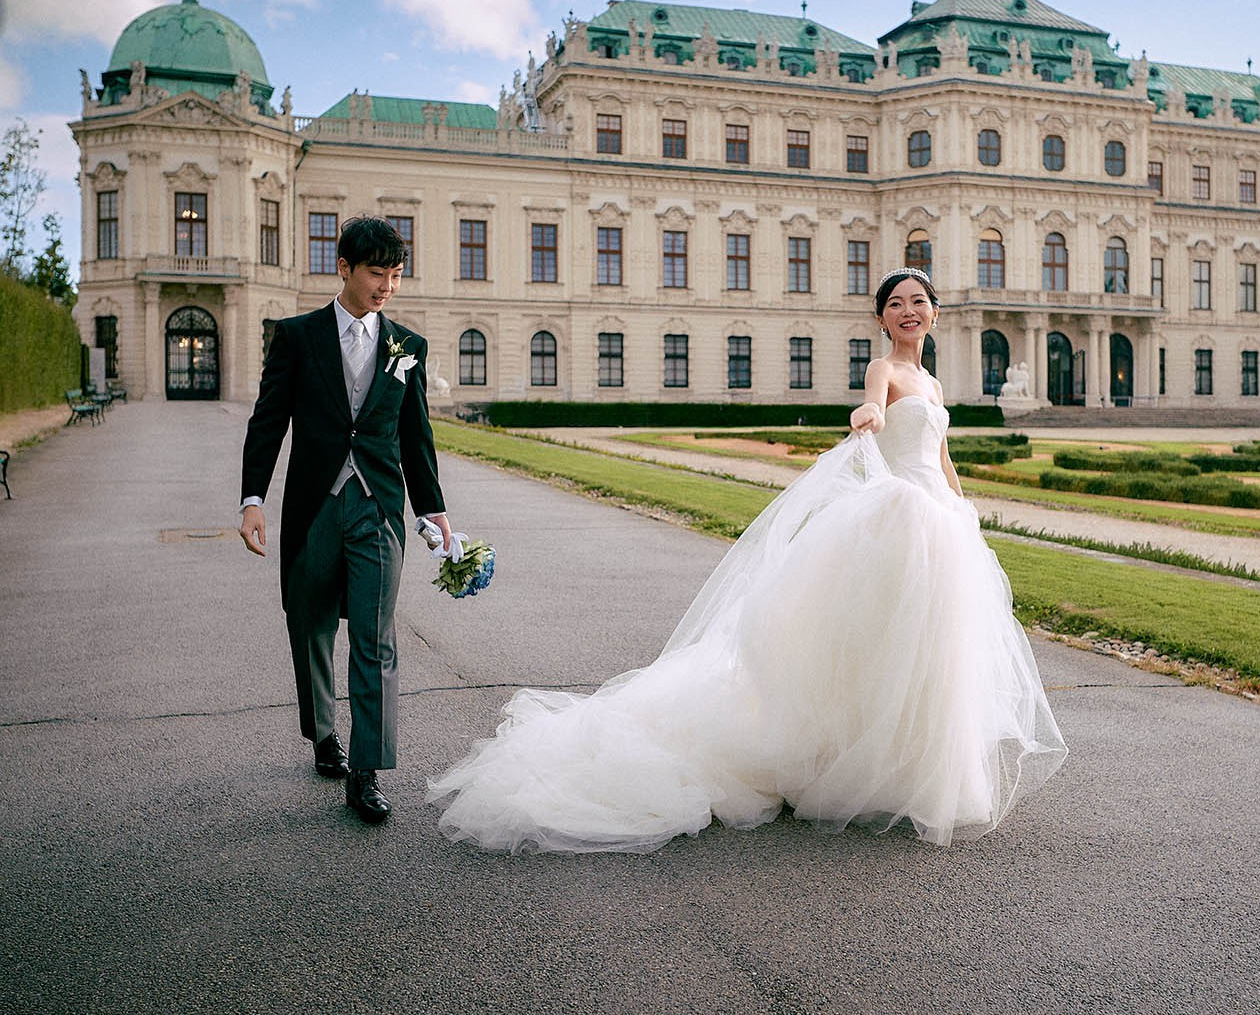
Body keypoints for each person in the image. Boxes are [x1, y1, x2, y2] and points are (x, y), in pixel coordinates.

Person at [429, 267, 1066, 853]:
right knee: (878, 645)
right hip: (900, 519)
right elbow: (874, 406)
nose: (907, 311)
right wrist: (868, 413)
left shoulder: (932, 382)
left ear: (934, 314)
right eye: (895, 304)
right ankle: (852, 764)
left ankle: (909, 771)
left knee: (929, 649)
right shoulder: (885, 370)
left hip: (939, 521)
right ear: (881, 319)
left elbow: (940, 452)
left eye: (917, 302)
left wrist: (962, 506)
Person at [239, 216, 453, 824]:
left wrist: (431, 509)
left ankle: (367, 771)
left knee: (375, 640)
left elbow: (417, 436)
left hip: (378, 509)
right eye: (376, 273)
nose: (387, 285)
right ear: (344, 269)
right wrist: (252, 498)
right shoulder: (298, 336)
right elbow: (267, 422)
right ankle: (324, 733)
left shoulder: (407, 347)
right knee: (309, 627)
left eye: (396, 274)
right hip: (314, 507)